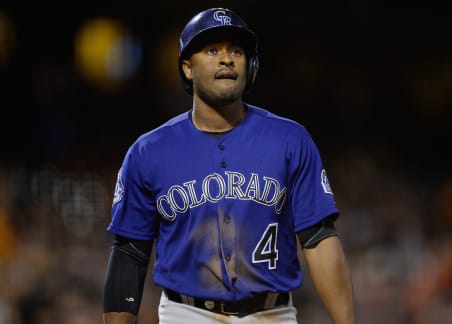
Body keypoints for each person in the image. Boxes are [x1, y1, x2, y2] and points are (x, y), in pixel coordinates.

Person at [102, 7, 357, 324]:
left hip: (273, 314)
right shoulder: (148, 151)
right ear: (187, 68)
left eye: (237, 50)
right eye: (212, 50)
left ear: (250, 67)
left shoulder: (290, 139)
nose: (227, 59)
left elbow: (318, 237)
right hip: (187, 314)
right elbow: (130, 254)